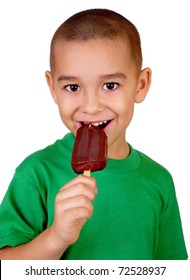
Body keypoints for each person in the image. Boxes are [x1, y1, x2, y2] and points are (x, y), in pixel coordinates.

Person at [0, 8, 188, 260]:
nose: (91, 106)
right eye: (73, 87)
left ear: (141, 85)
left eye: (110, 85)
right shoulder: (36, 173)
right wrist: (56, 237)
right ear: (52, 88)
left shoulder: (159, 180)